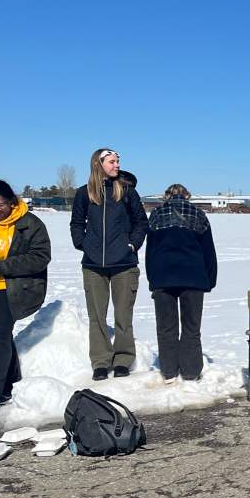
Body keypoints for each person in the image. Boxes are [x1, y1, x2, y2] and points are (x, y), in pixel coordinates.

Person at [69, 148, 149, 380]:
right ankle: (101, 362)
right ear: (98, 164)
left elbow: (141, 223)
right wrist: (82, 244)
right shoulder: (84, 193)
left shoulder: (127, 192)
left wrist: (132, 245)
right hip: (93, 265)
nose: (117, 165)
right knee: (97, 316)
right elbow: (76, 222)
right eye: (112, 162)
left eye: (118, 162)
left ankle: (123, 359)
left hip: (124, 264)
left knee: (123, 315)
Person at [0, 181, 52, 410]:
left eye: (0, 205)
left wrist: (5, 266)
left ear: (12, 201)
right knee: (0, 336)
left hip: (11, 288)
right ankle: (10, 384)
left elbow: (41, 256)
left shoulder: (30, 223)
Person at [145, 184, 217, 383]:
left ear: (166, 196)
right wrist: (210, 280)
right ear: (187, 196)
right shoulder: (198, 214)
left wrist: (153, 279)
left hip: (162, 276)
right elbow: (208, 251)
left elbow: (150, 251)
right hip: (193, 276)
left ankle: (169, 371)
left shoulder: (156, 214)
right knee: (191, 328)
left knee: (166, 327)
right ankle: (191, 372)